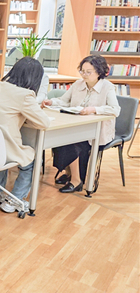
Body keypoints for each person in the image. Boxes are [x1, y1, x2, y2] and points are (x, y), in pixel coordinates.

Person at [0, 57, 51, 213]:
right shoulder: (25, 95)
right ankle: (15, 199)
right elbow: (44, 123)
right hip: (3, 150)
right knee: (31, 162)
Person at [42, 55, 120, 193]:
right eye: (82, 71)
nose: (84, 75)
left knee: (73, 143)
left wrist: (93, 109)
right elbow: (64, 101)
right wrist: (51, 102)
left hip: (98, 131)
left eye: (88, 72)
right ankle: (69, 173)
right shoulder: (78, 84)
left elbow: (115, 110)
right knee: (60, 138)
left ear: (99, 72)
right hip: (76, 126)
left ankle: (76, 180)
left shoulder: (108, 87)